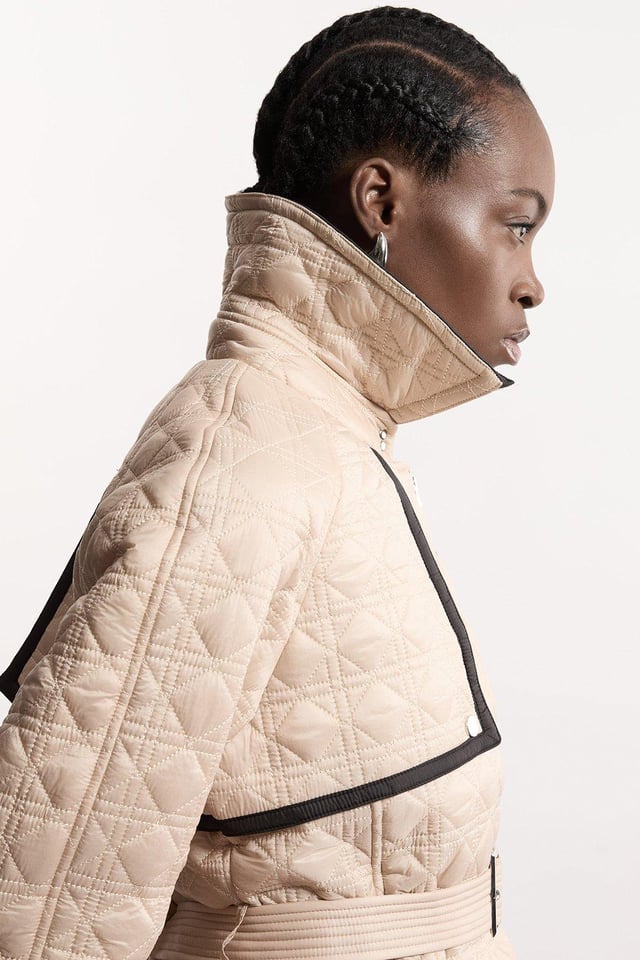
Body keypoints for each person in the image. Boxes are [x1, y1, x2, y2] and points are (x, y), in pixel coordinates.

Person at [0, 6, 554, 959]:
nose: (533, 281)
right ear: (380, 202)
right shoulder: (239, 450)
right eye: (515, 226)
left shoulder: (324, 431)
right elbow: (56, 885)